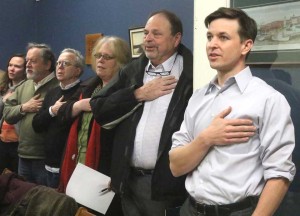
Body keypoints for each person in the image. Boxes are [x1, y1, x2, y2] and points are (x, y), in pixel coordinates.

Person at [169, 7, 295, 216]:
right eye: (209, 36)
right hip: (190, 209)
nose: (212, 44)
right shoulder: (198, 98)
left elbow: (280, 174)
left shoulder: (268, 99)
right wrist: (206, 138)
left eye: (223, 37)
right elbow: (176, 166)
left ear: (246, 45)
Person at [90, 10, 193, 216]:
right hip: (128, 180)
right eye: (146, 33)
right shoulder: (132, 71)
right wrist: (137, 94)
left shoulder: (192, 72)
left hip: (166, 184)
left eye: (156, 33)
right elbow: (99, 107)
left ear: (176, 39)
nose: (148, 39)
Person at [58, 36, 131, 216]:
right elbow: (62, 114)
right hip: (78, 164)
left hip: (104, 172)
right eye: (98, 55)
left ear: (121, 61)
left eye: (107, 56)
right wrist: (78, 105)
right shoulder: (88, 87)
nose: (100, 60)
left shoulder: (126, 92)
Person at [3, 43, 58, 185]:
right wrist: (23, 108)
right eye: (27, 61)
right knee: (24, 199)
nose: (28, 65)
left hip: (45, 157)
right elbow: (8, 113)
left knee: (43, 200)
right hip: (23, 154)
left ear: (47, 65)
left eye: (33, 61)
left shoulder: (58, 86)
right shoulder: (24, 86)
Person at [31, 48, 84, 188]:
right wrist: (52, 111)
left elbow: (68, 125)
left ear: (77, 70)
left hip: (70, 163)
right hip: (47, 163)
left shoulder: (83, 92)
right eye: (58, 63)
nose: (60, 67)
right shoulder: (52, 92)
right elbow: (36, 125)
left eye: (65, 63)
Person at [0, 53, 26, 173]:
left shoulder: (28, 88)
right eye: (10, 65)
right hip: (2, 140)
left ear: (25, 70)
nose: (12, 68)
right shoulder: (4, 88)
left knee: (17, 179)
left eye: (17, 66)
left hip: (18, 142)